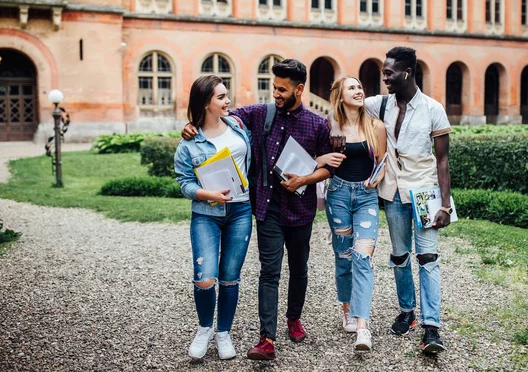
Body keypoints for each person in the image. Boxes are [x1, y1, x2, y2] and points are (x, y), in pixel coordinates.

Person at [181, 59, 333, 360]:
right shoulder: (259, 114)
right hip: (267, 209)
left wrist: (306, 178)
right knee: (269, 272)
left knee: (299, 269)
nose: (275, 93)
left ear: (299, 89)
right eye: (273, 87)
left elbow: (329, 166)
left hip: (301, 209)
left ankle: (293, 318)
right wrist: (192, 125)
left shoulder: (318, 124)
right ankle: (267, 339)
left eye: (282, 89)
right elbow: (219, 118)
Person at [367, 47, 452, 354]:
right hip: (392, 192)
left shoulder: (433, 108)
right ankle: (408, 312)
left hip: (425, 192)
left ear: (406, 73)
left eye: (389, 73)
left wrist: (445, 205)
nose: (384, 77)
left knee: (428, 259)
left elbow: (442, 161)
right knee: (400, 257)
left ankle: (432, 328)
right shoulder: (379, 105)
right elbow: (344, 106)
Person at [174, 75, 253, 361]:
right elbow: (184, 182)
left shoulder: (238, 126)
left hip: (241, 211)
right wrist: (207, 194)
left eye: (226, 95)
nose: (227, 100)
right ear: (205, 102)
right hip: (206, 215)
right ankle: (204, 328)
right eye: (220, 97)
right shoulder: (189, 143)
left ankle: (223, 333)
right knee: (205, 278)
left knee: (230, 278)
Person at [316, 75, 387, 352]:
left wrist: (376, 179)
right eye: (352, 88)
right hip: (338, 195)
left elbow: (381, 161)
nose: (358, 91)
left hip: (366, 197)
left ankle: (362, 326)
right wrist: (322, 158)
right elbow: (313, 156)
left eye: (360, 86)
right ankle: (346, 307)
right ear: (340, 95)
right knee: (343, 256)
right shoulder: (329, 127)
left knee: (363, 257)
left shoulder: (375, 126)